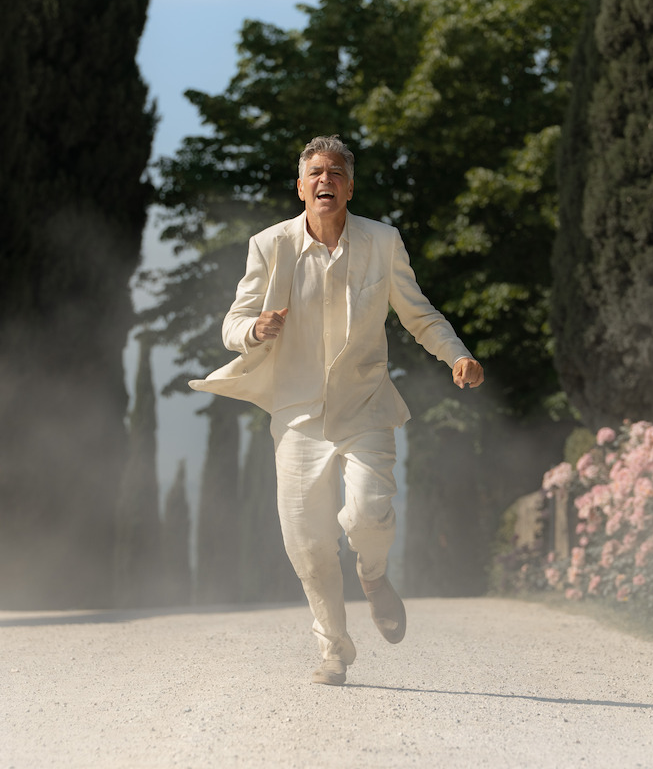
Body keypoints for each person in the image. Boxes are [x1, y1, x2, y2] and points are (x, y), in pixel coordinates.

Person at [189, 135, 484, 686]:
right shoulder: (269, 246)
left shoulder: (382, 242)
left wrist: (457, 355)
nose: (325, 180)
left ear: (350, 186)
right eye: (315, 173)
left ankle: (373, 575)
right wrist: (254, 330)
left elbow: (419, 314)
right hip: (298, 415)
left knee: (367, 514)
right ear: (300, 188)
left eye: (336, 173)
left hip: (366, 406)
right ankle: (334, 650)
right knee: (307, 541)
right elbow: (233, 323)